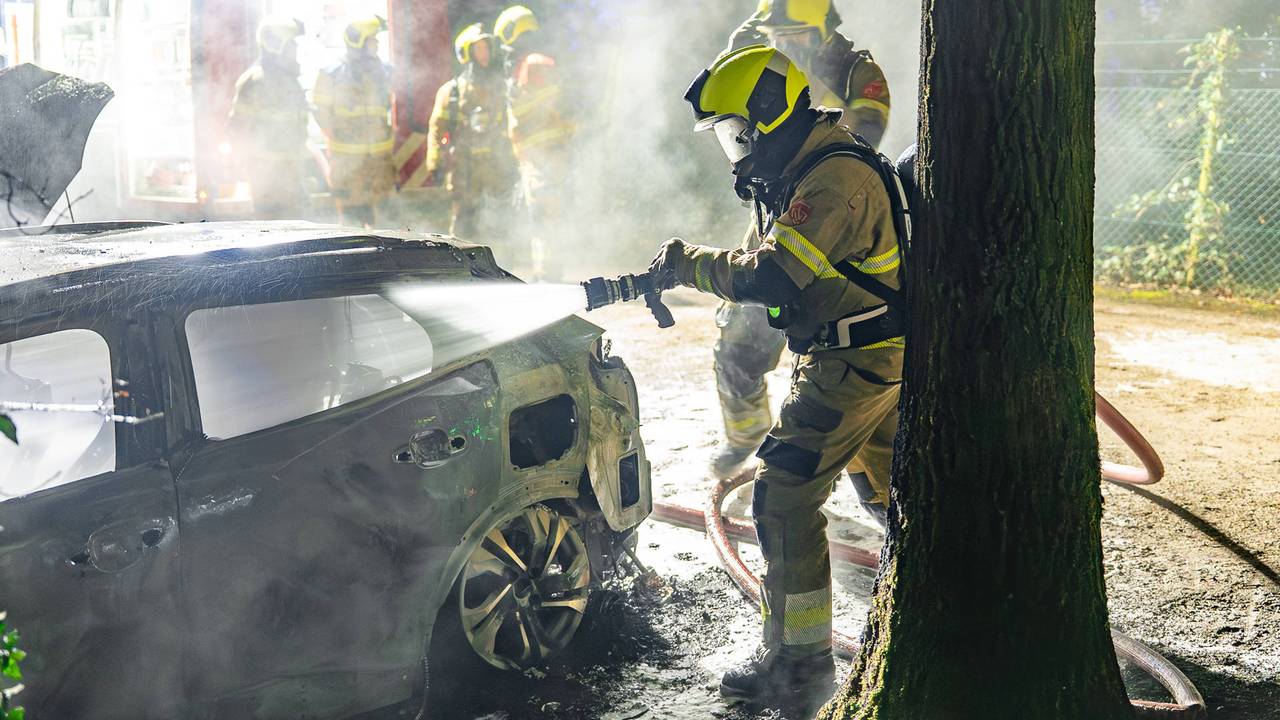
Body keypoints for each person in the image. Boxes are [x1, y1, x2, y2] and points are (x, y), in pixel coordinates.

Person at [648, 45, 908, 701]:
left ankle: (798, 666)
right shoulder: (799, 168)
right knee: (889, 495)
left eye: (739, 135)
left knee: (784, 495)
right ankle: (937, 596)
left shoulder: (832, 181)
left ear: (769, 116)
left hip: (858, 361)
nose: (737, 152)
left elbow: (770, 274)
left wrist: (686, 265)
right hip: (854, 355)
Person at [709, 0, 894, 502]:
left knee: (831, 358)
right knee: (736, 343)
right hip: (773, 225)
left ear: (824, 30)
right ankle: (745, 435)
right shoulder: (764, 65)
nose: (785, 44)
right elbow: (727, 67)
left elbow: (860, 148)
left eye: (796, 35)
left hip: (835, 235)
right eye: (777, 33)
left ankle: (861, 481)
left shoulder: (858, 72)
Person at [494, 5, 575, 277]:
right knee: (544, 214)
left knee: (545, 215)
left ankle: (549, 275)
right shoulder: (532, 63)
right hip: (541, 153)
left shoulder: (532, 64)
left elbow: (534, 110)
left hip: (544, 155)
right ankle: (547, 272)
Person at [426, 23, 517, 241]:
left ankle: (500, 270)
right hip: (464, 172)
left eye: (486, 48)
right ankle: (460, 269)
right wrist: (435, 165)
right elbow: (437, 130)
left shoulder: (501, 87)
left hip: (496, 170)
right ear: (466, 53)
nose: (484, 54)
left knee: (499, 223)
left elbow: (511, 124)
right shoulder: (452, 91)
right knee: (464, 226)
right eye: (478, 49)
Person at [313, 16, 395, 227]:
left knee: (384, 223)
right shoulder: (331, 75)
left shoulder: (386, 72)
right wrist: (336, 136)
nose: (376, 44)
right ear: (358, 42)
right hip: (348, 164)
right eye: (372, 40)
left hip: (379, 162)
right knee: (351, 222)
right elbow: (319, 111)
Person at [228, 18, 309, 220]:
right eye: (292, 44)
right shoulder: (255, 81)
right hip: (268, 179)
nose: (296, 48)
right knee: (275, 232)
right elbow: (237, 129)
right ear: (276, 45)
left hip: (291, 173)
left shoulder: (291, 81)